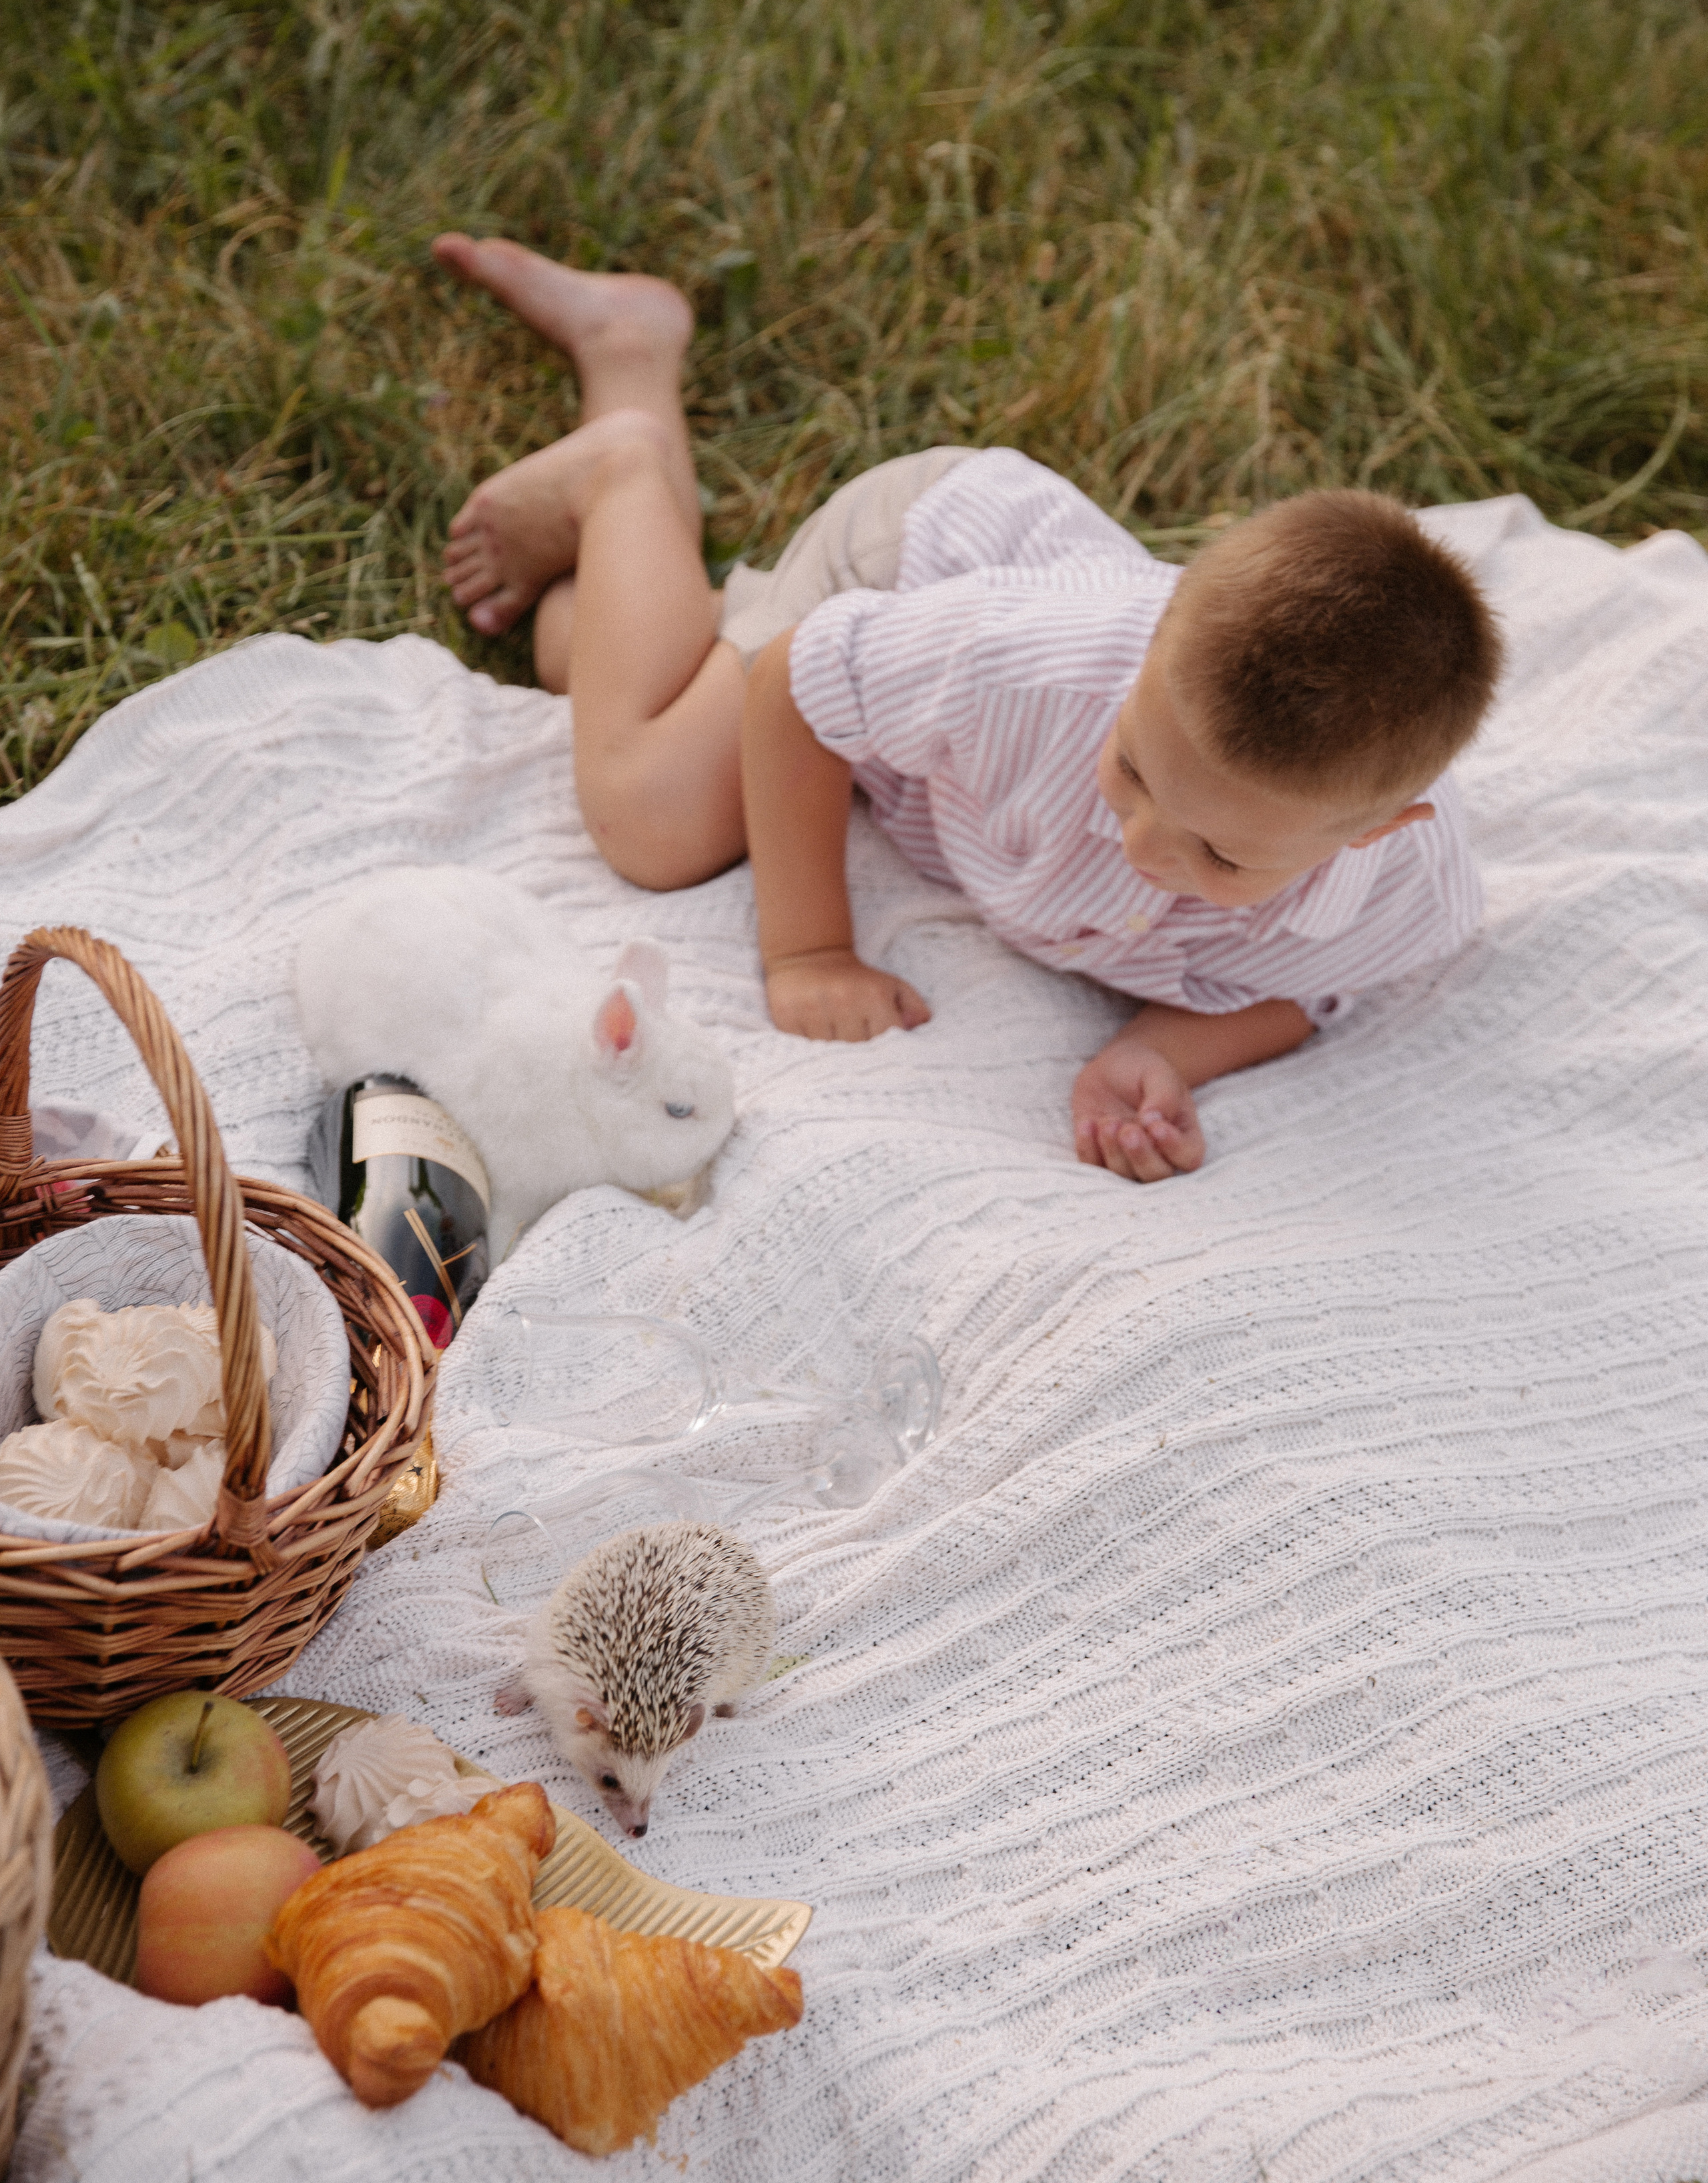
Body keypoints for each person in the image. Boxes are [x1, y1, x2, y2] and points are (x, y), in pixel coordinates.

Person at [432, 234, 1503, 1184]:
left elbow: (1315, 985)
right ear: (1157, 633)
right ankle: (624, 468)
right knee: (656, 817)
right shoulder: (1032, 665)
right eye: (1131, 768)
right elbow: (798, 686)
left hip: (935, 686)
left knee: (582, 656)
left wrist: (1163, 1052)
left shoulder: (1406, 892)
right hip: (905, 571)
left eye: (1220, 858)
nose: (1142, 845)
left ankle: (632, 353)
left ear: (1376, 834)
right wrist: (809, 953)